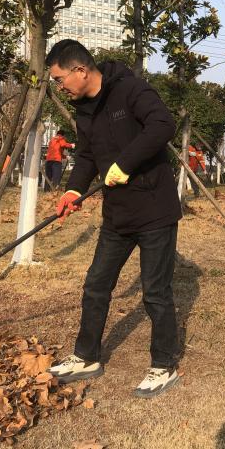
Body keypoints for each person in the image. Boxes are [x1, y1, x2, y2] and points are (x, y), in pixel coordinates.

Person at [45, 40, 183, 399]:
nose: (59, 87)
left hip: (154, 209)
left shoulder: (131, 89)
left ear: (80, 70)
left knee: (155, 292)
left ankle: (164, 364)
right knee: (96, 284)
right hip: (117, 215)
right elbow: (87, 155)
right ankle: (87, 356)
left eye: (59, 79)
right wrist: (73, 190)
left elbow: (162, 125)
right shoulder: (83, 110)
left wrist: (125, 163)